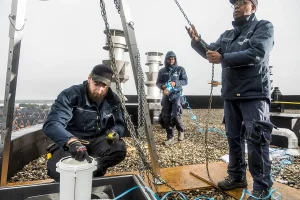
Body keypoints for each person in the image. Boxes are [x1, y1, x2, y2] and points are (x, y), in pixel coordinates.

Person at [186, 0, 275, 199]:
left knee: (257, 139)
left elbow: (258, 53)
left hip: (254, 93)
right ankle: (236, 176)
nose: (236, 6)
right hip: (230, 94)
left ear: (253, 7)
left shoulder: (263, 27)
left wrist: (223, 58)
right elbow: (211, 52)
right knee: (233, 137)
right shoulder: (227, 35)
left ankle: (261, 187)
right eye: (234, 3)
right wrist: (197, 41)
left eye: (243, 2)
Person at [43, 64, 127, 182]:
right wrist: (71, 142)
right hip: (73, 142)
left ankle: (91, 170)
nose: (99, 90)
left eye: (104, 86)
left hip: (97, 141)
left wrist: (116, 133)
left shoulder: (113, 99)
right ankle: (82, 172)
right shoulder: (70, 95)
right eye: (96, 84)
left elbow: (119, 123)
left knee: (119, 149)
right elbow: (52, 124)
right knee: (56, 170)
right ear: (89, 79)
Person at [156, 51, 188, 145]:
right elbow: (158, 82)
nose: (171, 60)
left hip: (177, 95)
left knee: (175, 115)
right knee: (166, 117)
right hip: (166, 95)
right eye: (169, 59)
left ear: (175, 59)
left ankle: (181, 130)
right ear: (166, 60)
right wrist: (163, 87)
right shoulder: (162, 71)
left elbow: (185, 81)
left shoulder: (180, 69)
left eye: (173, 58)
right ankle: (170, 137)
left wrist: (175, 83)